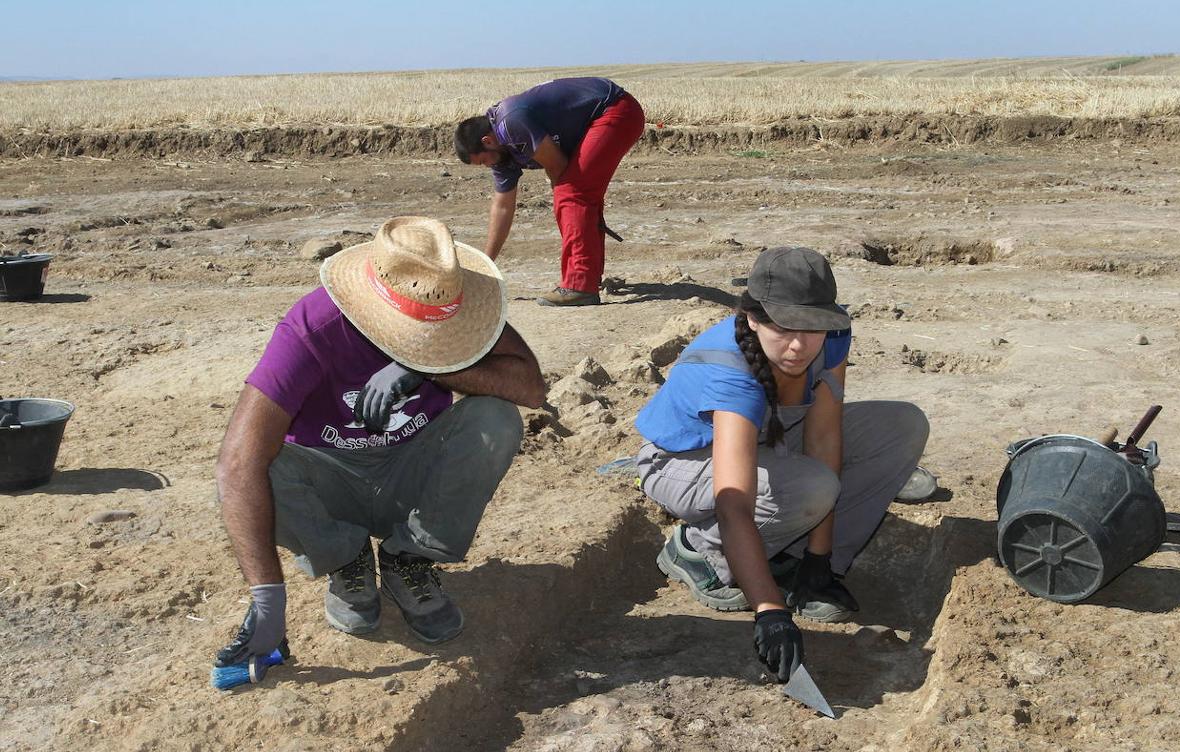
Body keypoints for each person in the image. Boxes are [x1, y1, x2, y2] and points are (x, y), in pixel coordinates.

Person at [213, 216, 545, 670]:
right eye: (412, 332)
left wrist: (427, 366)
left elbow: (530, 389)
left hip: (412, 479)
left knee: (496, 420)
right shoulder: (313, 327)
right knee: (257, 468)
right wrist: (268, 600)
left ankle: (407, 557)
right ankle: (345, 557)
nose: (426, 339)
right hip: (331, 485)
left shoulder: (453, 307)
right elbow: (237, 461)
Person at [633, 246, 929, 682]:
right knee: (808, 488)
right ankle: (701, 552)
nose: (798, 345)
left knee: (901, 426)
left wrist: (820, 558)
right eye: (783, 327)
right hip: (682, 461)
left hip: (768, 434)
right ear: (752, 317)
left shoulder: (833, 333)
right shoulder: (729, 369)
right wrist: (770, 612)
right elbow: (735, 502)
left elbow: (823, 437)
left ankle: (797, 562)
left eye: (812, 327)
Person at [454, 77, 645, 307]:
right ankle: (588, 277)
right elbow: (503, 207)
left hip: (615, 110)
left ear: (487, 141)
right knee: (575, 196)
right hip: (604, 116)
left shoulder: (511, 122)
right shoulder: (499, 153)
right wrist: (486, 264)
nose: (488, 166)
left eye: (483, 161)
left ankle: (580, 285)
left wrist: (567, 206)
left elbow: (558, 167)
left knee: (572, 193)